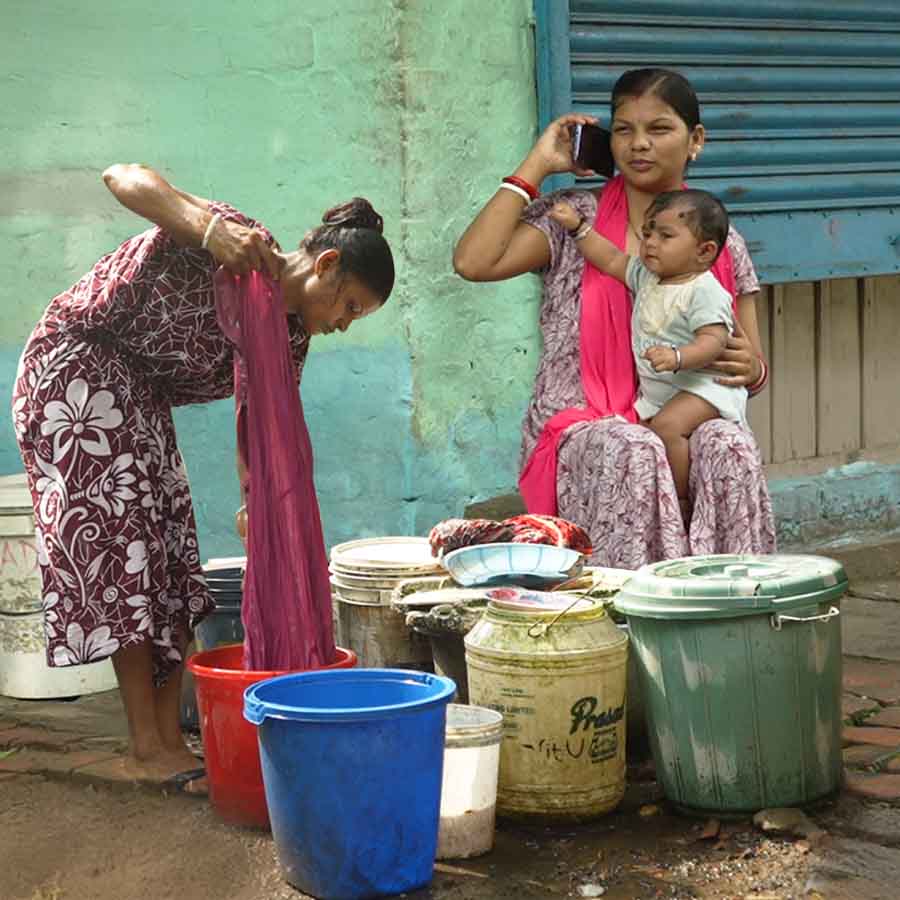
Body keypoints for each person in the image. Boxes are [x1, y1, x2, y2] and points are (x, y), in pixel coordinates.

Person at [12, 164, 394, 792]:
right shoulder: (238, 245)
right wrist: (209, 229)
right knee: (126, 556)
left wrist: (257, 507)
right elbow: (122, 177)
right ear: (326, 265)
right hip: (74, 371)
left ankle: (167, 740)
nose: (345, 323)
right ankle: (146, 746)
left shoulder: (289, 338)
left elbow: (267, 434)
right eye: (349, 305)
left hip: (136, 394)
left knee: (168, 555)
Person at [453, 67, 775, 568]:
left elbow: (752, 366)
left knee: (729, 445)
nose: (639, 144)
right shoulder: (572, 219)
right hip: (587, 420)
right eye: (624, 129)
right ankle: (631, 603)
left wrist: (750, 368)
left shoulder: (719, 243)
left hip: (681, 410)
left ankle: (732, 598)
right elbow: (474, 262)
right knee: (635, 448)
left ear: (695, 140)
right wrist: (538, 164)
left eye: (659, 129)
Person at [548, 189, 747, 521]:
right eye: (648, 233)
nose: (651, 242)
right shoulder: (647, 277)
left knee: (668, 427)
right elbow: (611, 259)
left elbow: (714, 341)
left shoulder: (704, 291)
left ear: (705, 251)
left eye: (665, 236)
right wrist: (578, 228)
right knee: (641, 438)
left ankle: (680, 501)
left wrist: (678, 356)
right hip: (660, 393)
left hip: (704, 387)